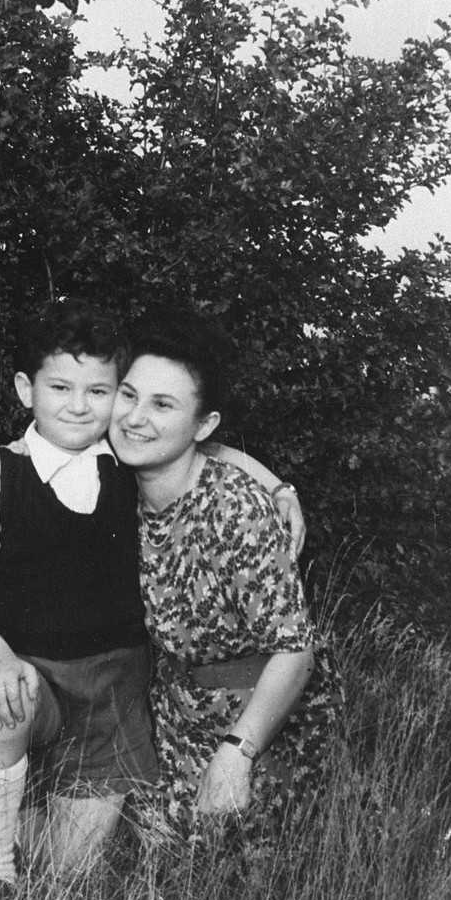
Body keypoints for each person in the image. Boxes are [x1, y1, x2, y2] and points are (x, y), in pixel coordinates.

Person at [0, 300, 305, 900]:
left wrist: (278, 487)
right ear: (27, 390)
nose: (80, 406)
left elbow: (208, 452)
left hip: (117, 692)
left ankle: (30, 867)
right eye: (60, 388)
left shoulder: (117, 455)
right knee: (8, 705)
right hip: (37, 673)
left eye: (99, 391)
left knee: (66, 879)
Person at [110, 312, 340, 835]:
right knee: (144, 861)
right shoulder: (116, 481)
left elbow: (295, 650)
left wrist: (239, 752)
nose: (135, 417)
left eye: (163, 405)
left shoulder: (234, 509)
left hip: (265, 718)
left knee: (237, 876)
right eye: (128, 395)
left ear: (203, 423)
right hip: (174, 712)